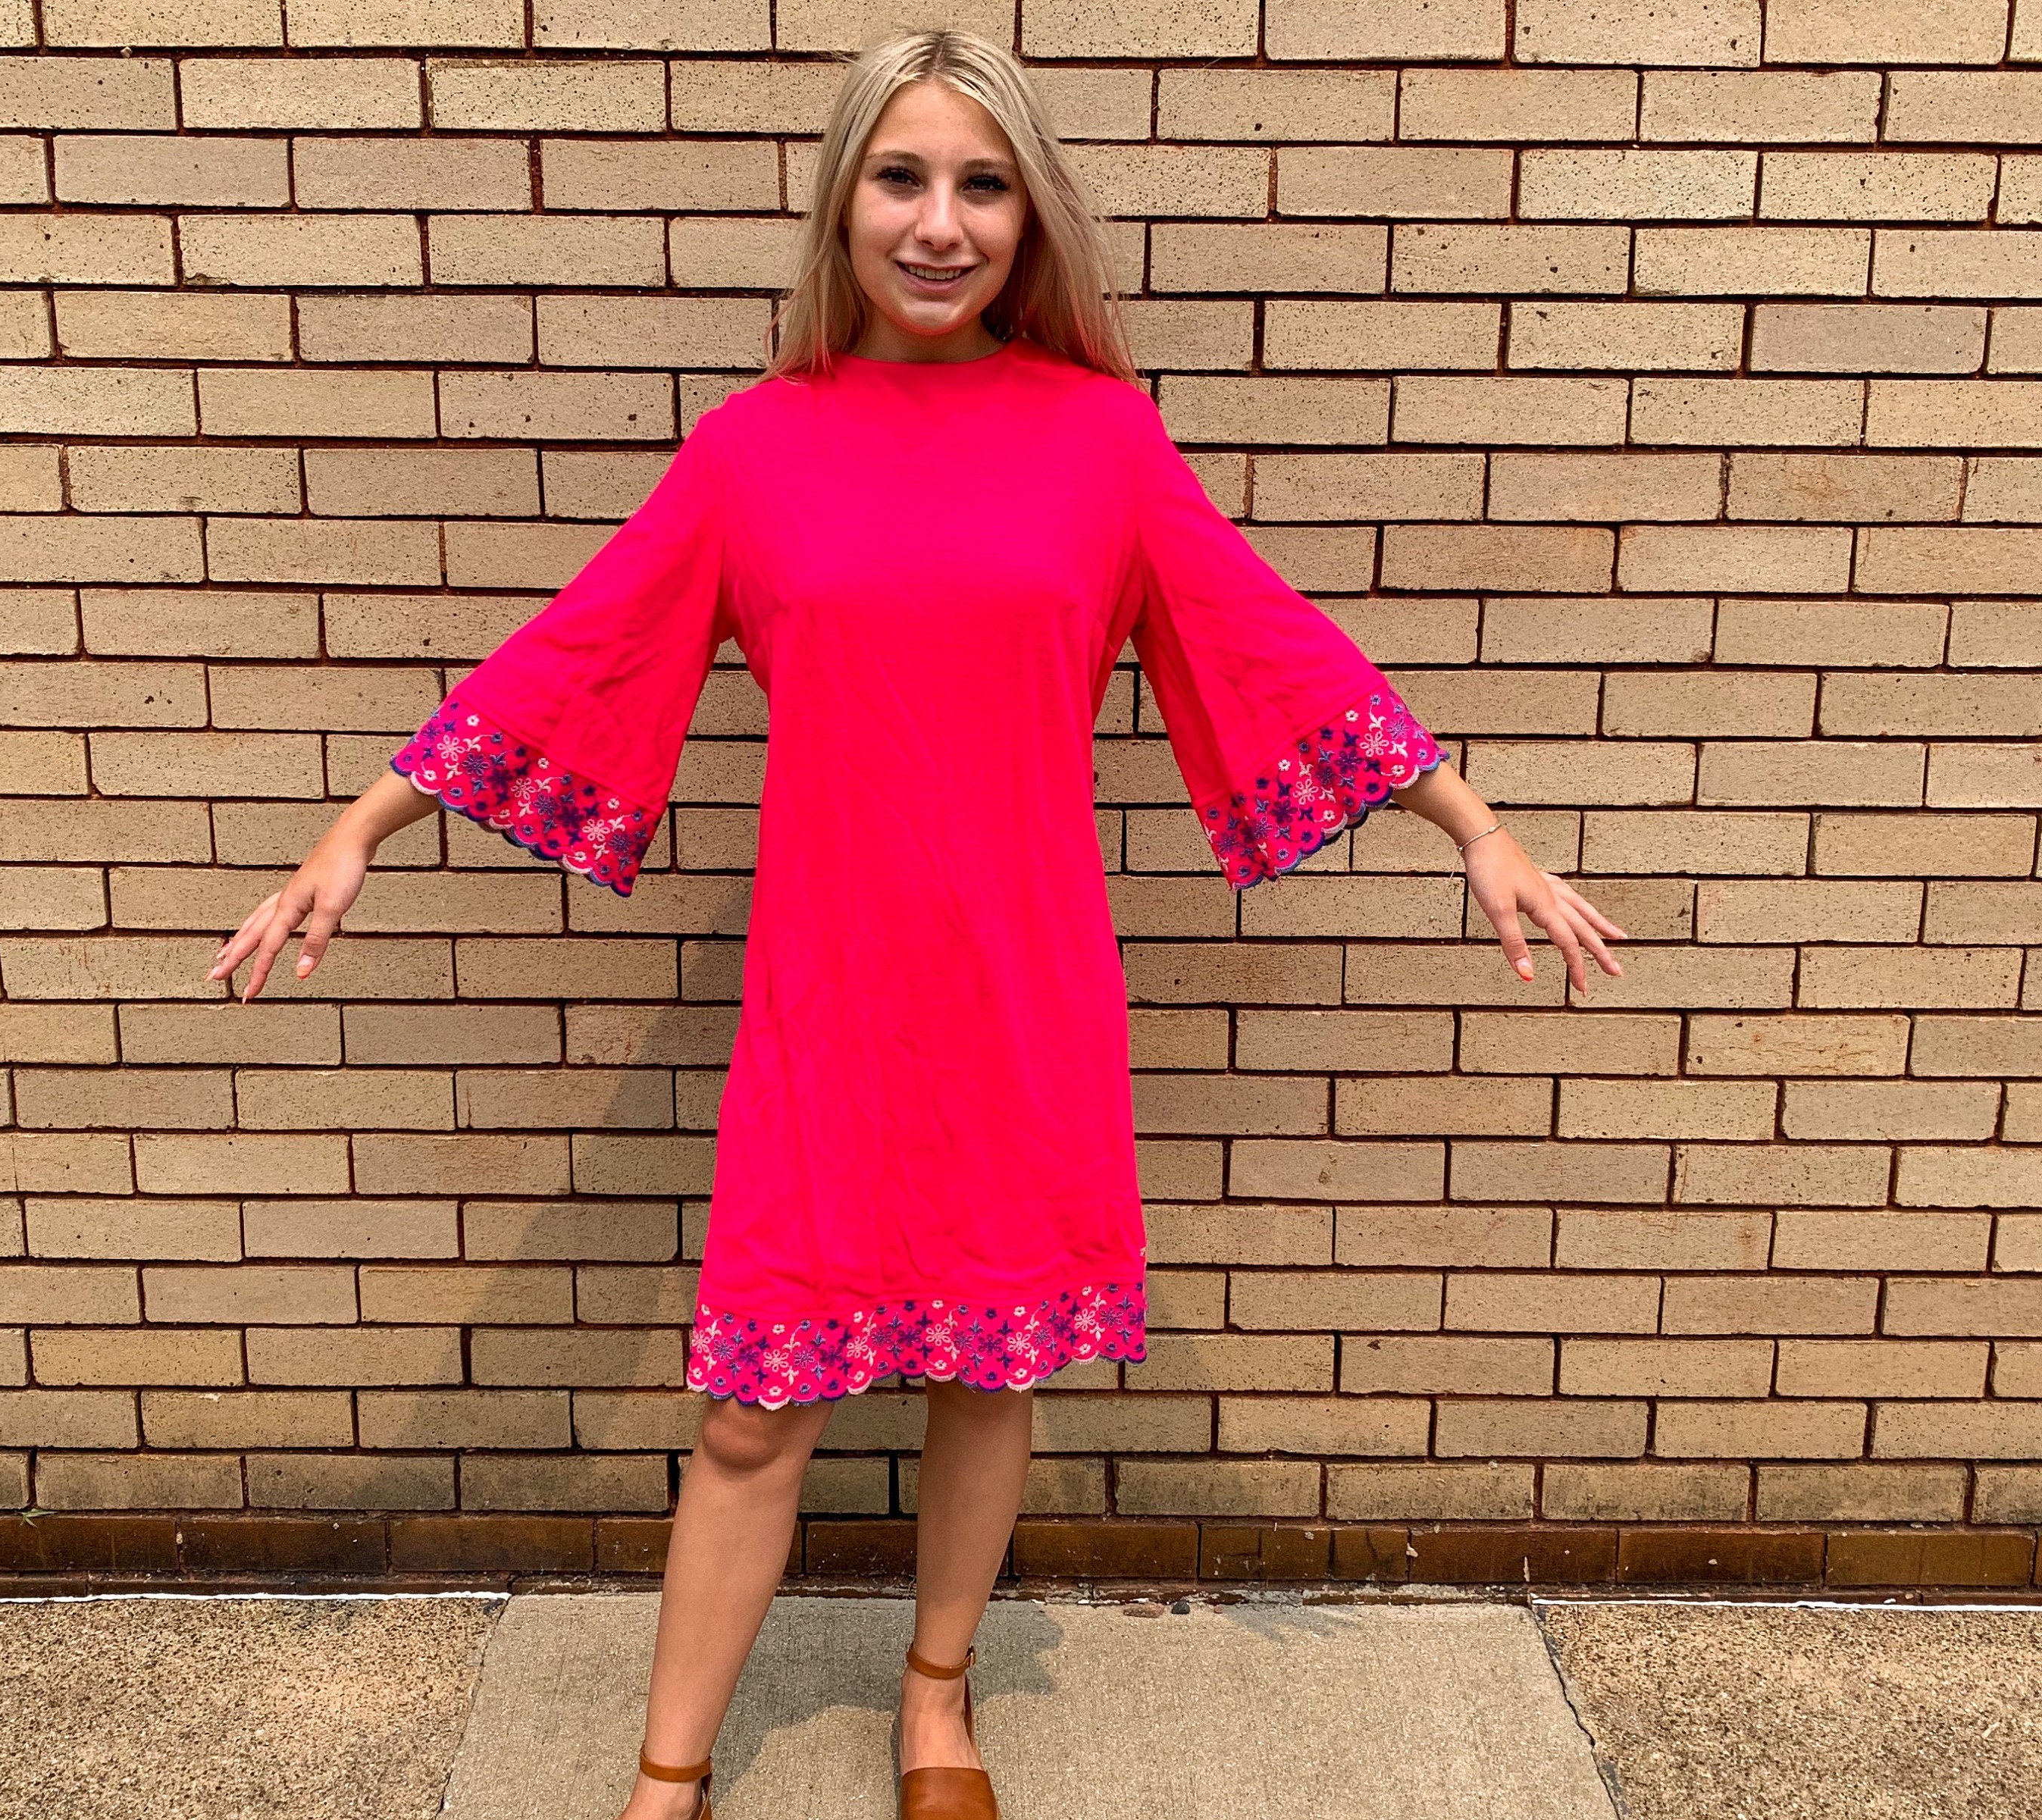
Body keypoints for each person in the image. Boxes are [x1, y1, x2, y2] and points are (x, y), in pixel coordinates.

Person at [208, 27, 1627, 1820]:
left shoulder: (1104, 441)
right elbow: (580, 648)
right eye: (903, 178)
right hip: (832, 998)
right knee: (753, 1410)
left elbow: (1270, 641)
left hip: (1025, 988)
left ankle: (938, 1700)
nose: (940, 223)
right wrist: (363, 826)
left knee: (988, 1369)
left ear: (1029, 218)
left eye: (982, 184)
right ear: (844, 202)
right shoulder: (756, 449)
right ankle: (667, 1775)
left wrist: (1473, 827)